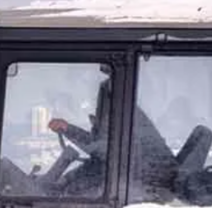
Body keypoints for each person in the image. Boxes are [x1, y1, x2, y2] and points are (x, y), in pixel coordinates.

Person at [47, 79, 177, 200]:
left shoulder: (126, 118)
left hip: (147, 188)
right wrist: (65, 181)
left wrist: (69, 130)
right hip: (132, 181)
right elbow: (97, 160)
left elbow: (102, 149)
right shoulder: (118, 117)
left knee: (81, 197)